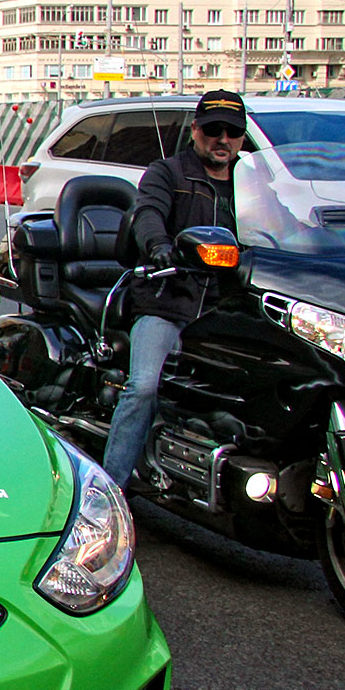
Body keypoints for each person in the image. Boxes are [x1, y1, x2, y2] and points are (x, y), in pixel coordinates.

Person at [101, 89, 246, 488]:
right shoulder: (169, 172)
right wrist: (159, 246)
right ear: (196, 130)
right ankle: (110, 492)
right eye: (213, 129)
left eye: (232, 132)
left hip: (222, 309)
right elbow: (148, 212)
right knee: (144, 387)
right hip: (168, 300)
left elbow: (281, 221)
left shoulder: (249, 182)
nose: (222, 139)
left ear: (242, 137)